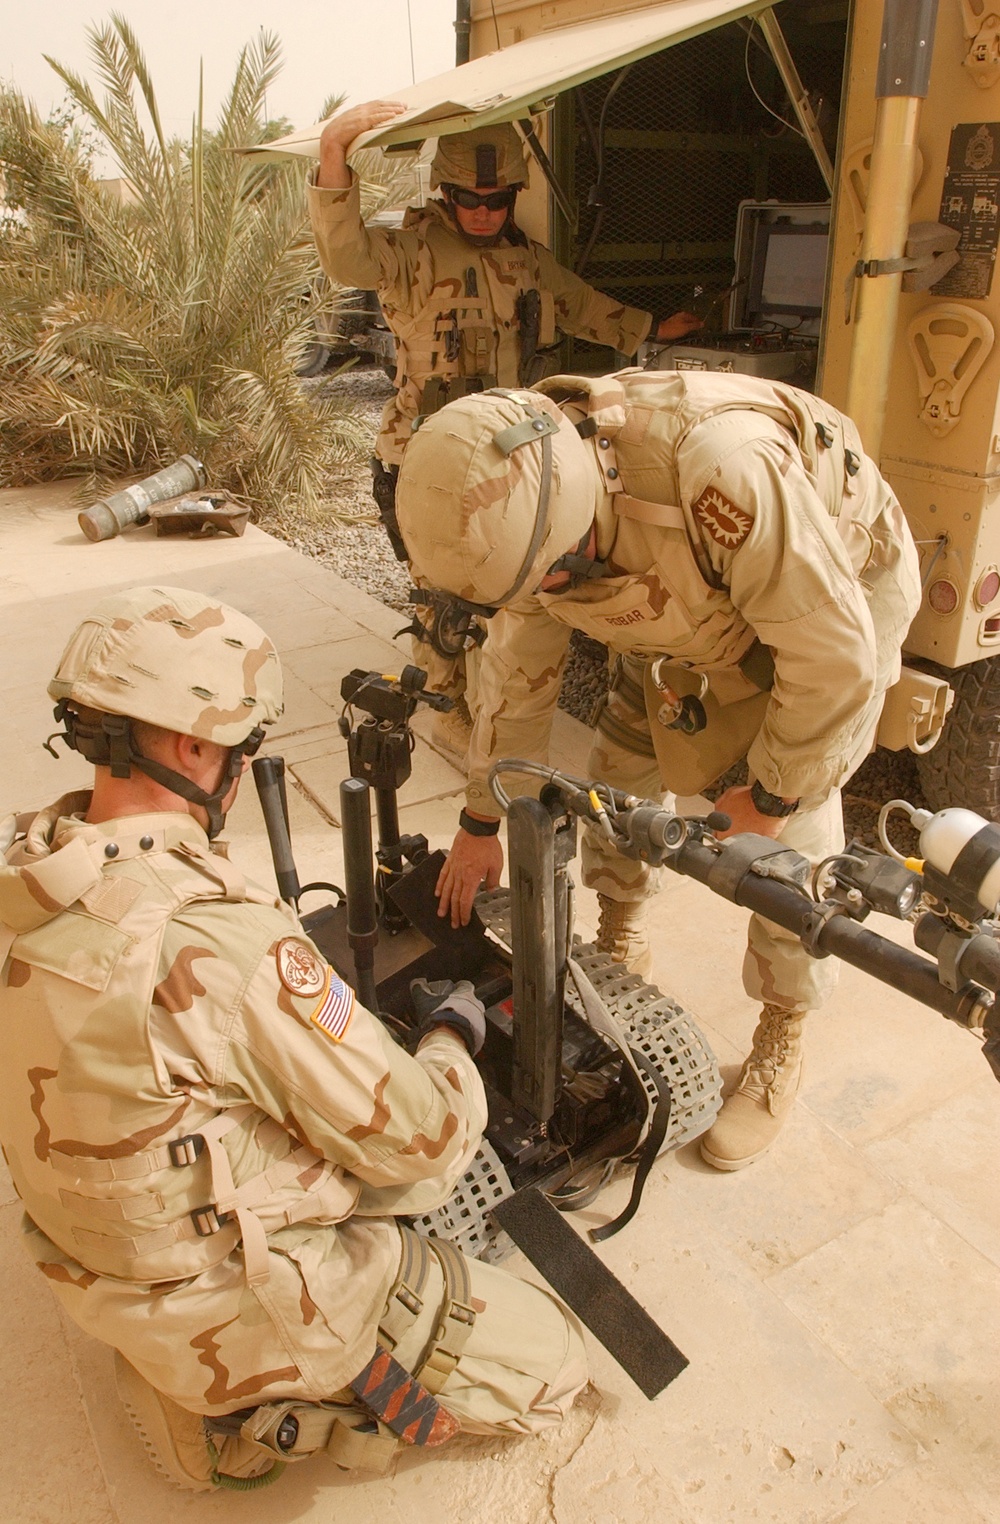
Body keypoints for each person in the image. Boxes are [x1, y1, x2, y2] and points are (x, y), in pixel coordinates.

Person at [0, 586, 586, 1493]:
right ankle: (255, 1415)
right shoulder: (216, 943)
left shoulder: (33, 876)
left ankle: (187, 1362)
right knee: (556, 1367)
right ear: (196, 745)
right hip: (251, 1297)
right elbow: (424, 1147)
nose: (242, 768)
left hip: (98, 1267)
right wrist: (448, 1038)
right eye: (245, 748)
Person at [393, 371, 922, 1173]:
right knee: (621, 763)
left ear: (572, 538)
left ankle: (783, 1034)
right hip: (687, 597)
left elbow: (833, 661)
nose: (541, 596)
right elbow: (520, 675)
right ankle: (623, 930)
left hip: (832, 592)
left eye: (548, 582)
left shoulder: (722, 472)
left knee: (789, 846)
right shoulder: (515, 505)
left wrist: (771, 796)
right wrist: (479, 819)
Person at [308, 102, 700, 743]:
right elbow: (346, 257)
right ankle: (442, 707)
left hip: (507, 457)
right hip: (424, 456)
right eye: (469, 198)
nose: (484, 212)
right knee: (441, 588)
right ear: (446, 193)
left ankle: (493, 706)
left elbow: (581, 305)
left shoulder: (527, 260)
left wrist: (654, 327)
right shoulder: (411, 253)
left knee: (508, 579)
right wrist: (334, 155)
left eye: (497, 199)